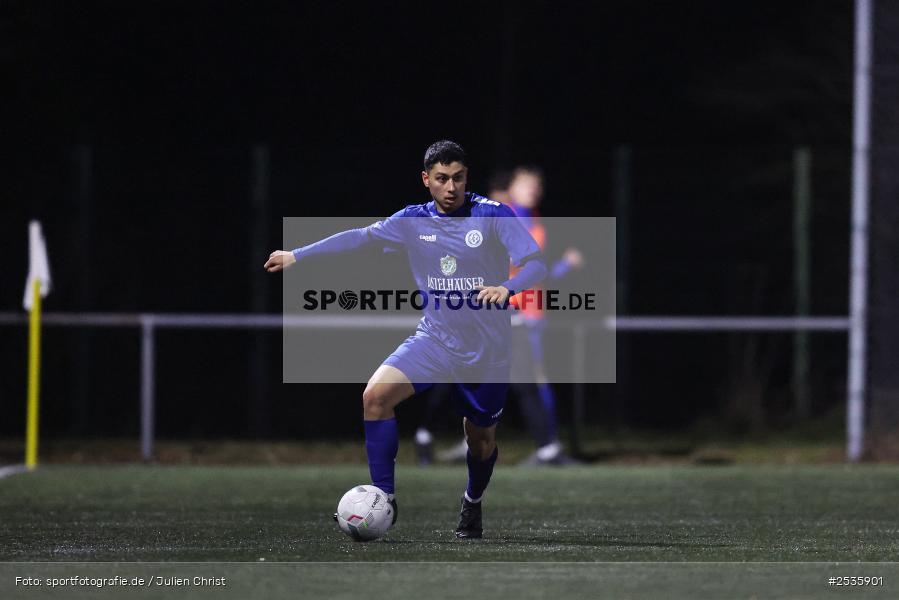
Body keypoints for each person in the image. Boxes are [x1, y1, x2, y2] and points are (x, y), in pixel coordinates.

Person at [264, 140, 547, 538]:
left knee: (480, 442)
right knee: (375, 397)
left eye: (459, 178)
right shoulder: (412, 221)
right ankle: (384, 498)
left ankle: (472, 501)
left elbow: (537, 264)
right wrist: (297, 255)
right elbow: (360, 238)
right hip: (434, 339)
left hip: (487, 351)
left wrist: (508, 287)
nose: (452, 187)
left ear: (468, 177)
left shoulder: (492, 214)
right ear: (426, 180)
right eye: (442, 179)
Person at [416, 167, 583, 466]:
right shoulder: (501, 216)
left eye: (536, 183)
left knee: (519, 380)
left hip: (519, 312)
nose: (533, 188)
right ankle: (435, 435)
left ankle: (545, 448)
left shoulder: (526, 218)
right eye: (526, 183)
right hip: (494, 311)